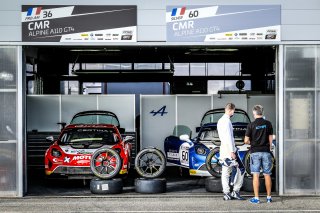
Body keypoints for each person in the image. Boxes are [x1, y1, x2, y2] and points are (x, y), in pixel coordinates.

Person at [244, 105, 273, 204]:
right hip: (266, 151)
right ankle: (269, 197)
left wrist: (252, 142)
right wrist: (269, 148)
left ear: (254, 113)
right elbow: (270, 138)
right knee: (267, 174)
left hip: (255, 152)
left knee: (255, 175)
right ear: (262, 112)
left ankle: (256, 198)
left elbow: (246, 140)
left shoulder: (251, 125)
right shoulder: (268, 124)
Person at [217, 103, 245, 200]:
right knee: (241, 169)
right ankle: (235, 191)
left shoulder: (220, 120)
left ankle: (226, 193)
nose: (233, 112)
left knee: (225, 172)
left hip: (223, 150)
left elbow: (223, 138)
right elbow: (229, 137)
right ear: (231, 110)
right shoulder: (227, 121)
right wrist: (232, 151)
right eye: (234, 111)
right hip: (229, 151)